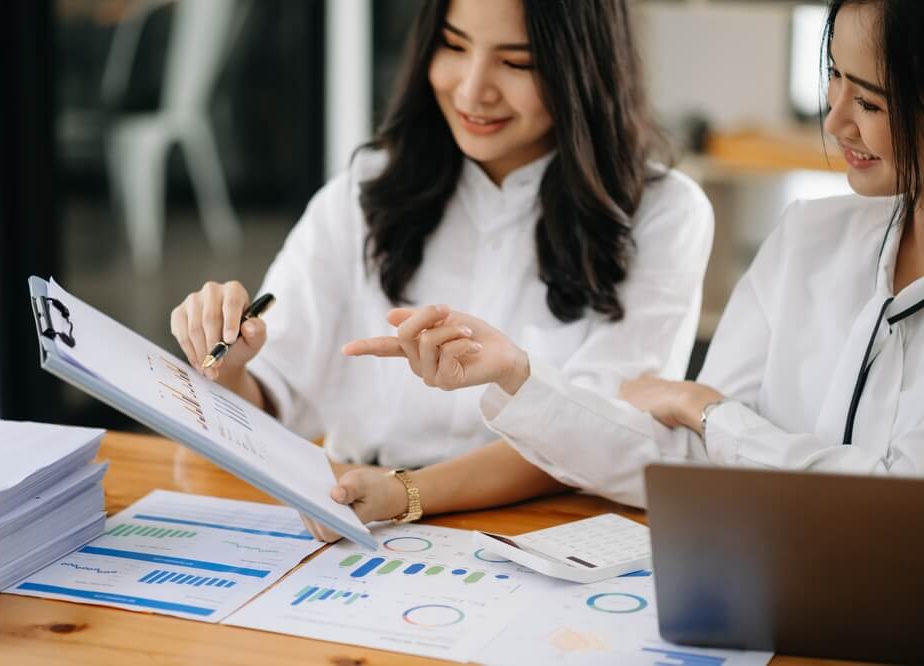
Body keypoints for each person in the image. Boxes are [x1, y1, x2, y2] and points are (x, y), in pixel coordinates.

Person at [303, 0, 924, 541]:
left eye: (868, 98)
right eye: (834, 79)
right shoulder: (807, 238)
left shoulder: (666, 211)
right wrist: (519, 377)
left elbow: (899, 505)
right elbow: (693, 465)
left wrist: (709, 412)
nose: (835, 119)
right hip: (768, 580)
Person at [170, 0, 712, 482]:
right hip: (353, 507)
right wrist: (233, 364)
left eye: (516, 61)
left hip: (544, 528)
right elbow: (271, 401)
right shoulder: (367, 187)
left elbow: (601, 433)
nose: (473, 89)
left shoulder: (663, 215)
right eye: (454, 46)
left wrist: (409, 494)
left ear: (583, 67)